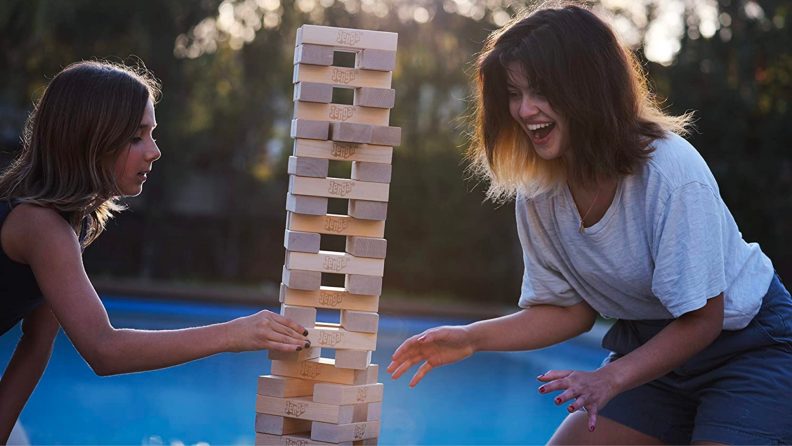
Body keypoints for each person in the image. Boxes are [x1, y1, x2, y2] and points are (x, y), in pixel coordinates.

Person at [386, 4, 792, 445]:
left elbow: (703, 320)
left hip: (748, 348)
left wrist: (612, 378)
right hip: (653, 351)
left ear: (589, 87)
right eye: (513, 92)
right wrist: (470, 339)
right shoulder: (539, 191)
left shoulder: (671, 173)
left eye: (540, 90)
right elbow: (569, 311)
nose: (524, 109)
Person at [0, 61, 310, 442]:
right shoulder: (39, 225)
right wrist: (233, 334)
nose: (155, 151)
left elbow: (37, 341)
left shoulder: (66, 222)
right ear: (89, 139)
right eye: (136, 137)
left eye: (152, 133)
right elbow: (104, 350)